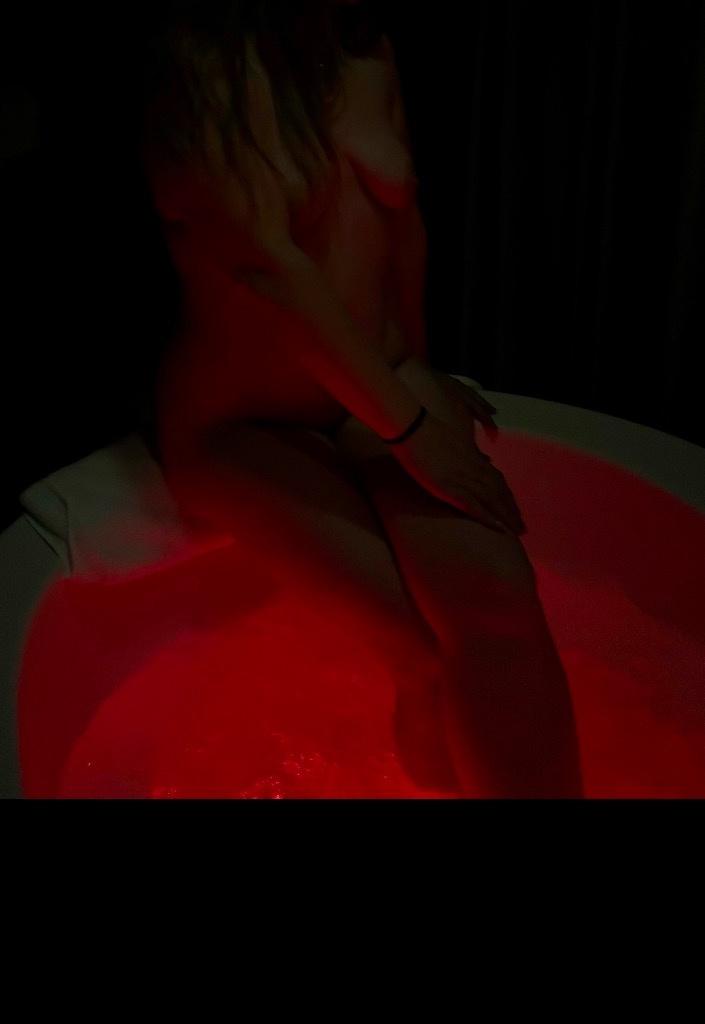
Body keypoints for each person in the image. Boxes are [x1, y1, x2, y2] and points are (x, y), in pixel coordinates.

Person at [138, 0, 584, 798]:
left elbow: (400, 224)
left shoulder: (362, 49)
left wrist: (420, 371)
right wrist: (410, 428)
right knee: (418, 644)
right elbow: (266, 268)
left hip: (378, 385)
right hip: (242, 423)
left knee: (498, 609)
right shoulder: (201, 71)